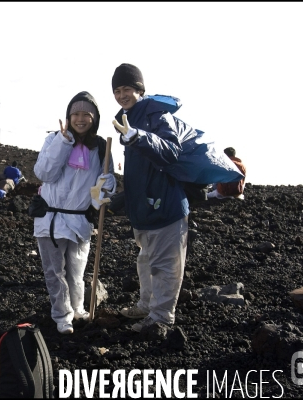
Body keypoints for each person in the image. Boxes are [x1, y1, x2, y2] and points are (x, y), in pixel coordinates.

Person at [111, 63, 189, 333]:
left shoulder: (156, 113)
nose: (122, 95)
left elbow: (170, 151)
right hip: (144, 210)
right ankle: (146, 306)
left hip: (165, 207)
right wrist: (118, 200)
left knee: (165, 265)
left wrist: (137, 136)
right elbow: (138, 173)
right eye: (117, 90)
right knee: (145, 261)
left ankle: (161, 319)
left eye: (128, 89)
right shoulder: (127, 118)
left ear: (140, 90)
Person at [34, 91, 115, 335]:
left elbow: (102, 188)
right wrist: (63, 141)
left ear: (94, 118)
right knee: (54, 272)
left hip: (80, 220)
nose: (80, 119)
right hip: (51, 218)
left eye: (86, 115)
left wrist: (107, 184)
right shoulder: (53, 140)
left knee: (76, 271)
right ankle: (62, 315)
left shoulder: (100, 147)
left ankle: (78, 308)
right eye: (75, 114)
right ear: (68, 117)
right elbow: (45, 174)